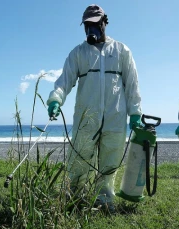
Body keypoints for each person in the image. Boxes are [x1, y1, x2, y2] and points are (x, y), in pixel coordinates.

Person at [46, 4, 142, 212]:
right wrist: (55, 99)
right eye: (87, 25)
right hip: (86, 117)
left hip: (115, 117)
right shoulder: (78, 53)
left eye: (95, 24)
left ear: (104, 22)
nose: (91, 29)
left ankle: (104, 201)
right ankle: (74, 199)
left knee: (110, 159)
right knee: (79, 158)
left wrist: (135, 112)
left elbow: (132, 84)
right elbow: (64, 81)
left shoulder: (121, 51)